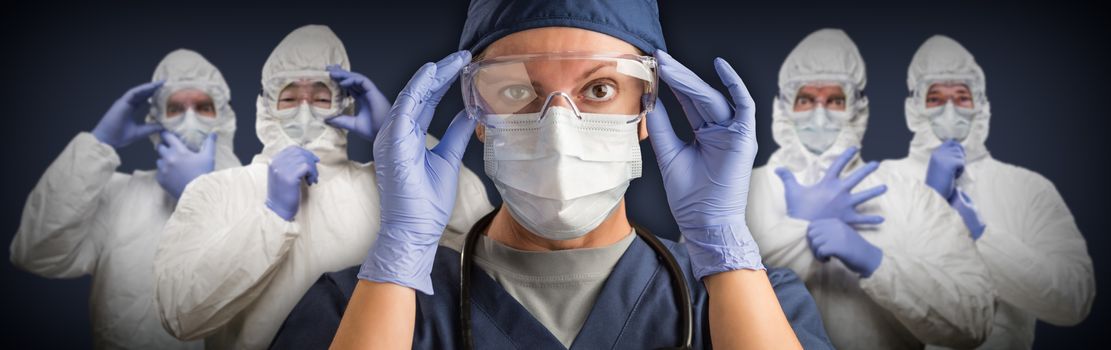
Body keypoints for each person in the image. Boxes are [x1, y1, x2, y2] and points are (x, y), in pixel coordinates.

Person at [273, 1, 834, 349]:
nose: (559, 129)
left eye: (599, 89)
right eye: (518, 91)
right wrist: (399, 255)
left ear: (647, 108)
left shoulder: (750, 301)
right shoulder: (354, 306)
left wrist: (721, 242)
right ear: (478, 115)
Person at [152, 25, 493, 349]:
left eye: (319, 96)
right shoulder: (216, 190)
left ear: (344, 102)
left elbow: (480, 250)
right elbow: (178, 314)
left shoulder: (385, 185)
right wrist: (270, 218)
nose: (304, 111)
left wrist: (403, 142)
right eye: (288, 98)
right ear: (266, 104)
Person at [744, 29, 996, 349]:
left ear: (857, 108)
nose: (819, 115)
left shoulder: (909, 197)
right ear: (783, 107)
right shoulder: (740, 192)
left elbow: (975, 320)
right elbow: (696, 300)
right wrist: (797, 233)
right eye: (805, 99)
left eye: (835, 100)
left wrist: (876, 262)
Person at [10, 49, 237, 349]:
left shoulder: (259, 191)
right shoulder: (120, 195)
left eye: (203, 106)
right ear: (157, 119)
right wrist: (99, 143)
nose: (190, 119)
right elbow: (37, 254)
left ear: (223, 116)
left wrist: (197, 196)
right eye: (176, 108)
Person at [883, 35, 1096, 349]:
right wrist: (929, 206)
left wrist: (980, 235)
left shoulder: (1028, 189)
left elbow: (1074, 299)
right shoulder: (885, 180)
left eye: (961, 97)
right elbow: (868, 292)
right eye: (935, 98)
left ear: (981, 105)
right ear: (914, 108)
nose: (949, 110)